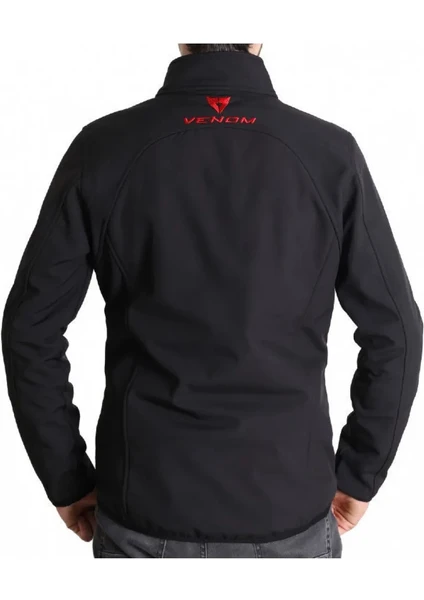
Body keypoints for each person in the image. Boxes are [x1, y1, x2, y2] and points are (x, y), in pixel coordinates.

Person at [2, 43, 422, 559]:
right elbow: (397, 331)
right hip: (287, 506)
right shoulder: (329, 153)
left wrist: (66, 477)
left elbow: (30, 328)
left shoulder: (104, 147)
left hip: (146, 508)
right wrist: (360, 473)